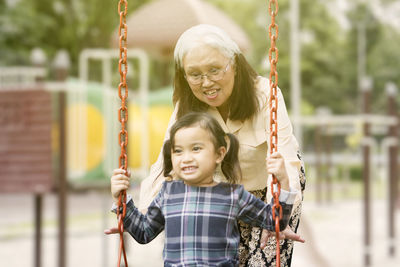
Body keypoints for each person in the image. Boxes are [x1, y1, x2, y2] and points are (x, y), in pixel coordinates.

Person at [136, 24, 306, 266]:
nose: (206, 83)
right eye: (195, 74)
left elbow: (286, 160)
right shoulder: (186, 107)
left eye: (215, 70)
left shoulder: (265, 95)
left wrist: (278, 211)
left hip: (270, 190)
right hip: (224, 195)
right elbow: (165, 166)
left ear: (234, 63)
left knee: (263, 258)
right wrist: (147, 212)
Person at [109, 112, 298, 266]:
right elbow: (144, 232)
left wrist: (283, 181)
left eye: (196, 148)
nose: (186, 158)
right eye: (178, 150)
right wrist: (122, 200)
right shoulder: (168, 193)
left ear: (219, 153)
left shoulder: (233, 195)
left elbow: (275, 221)